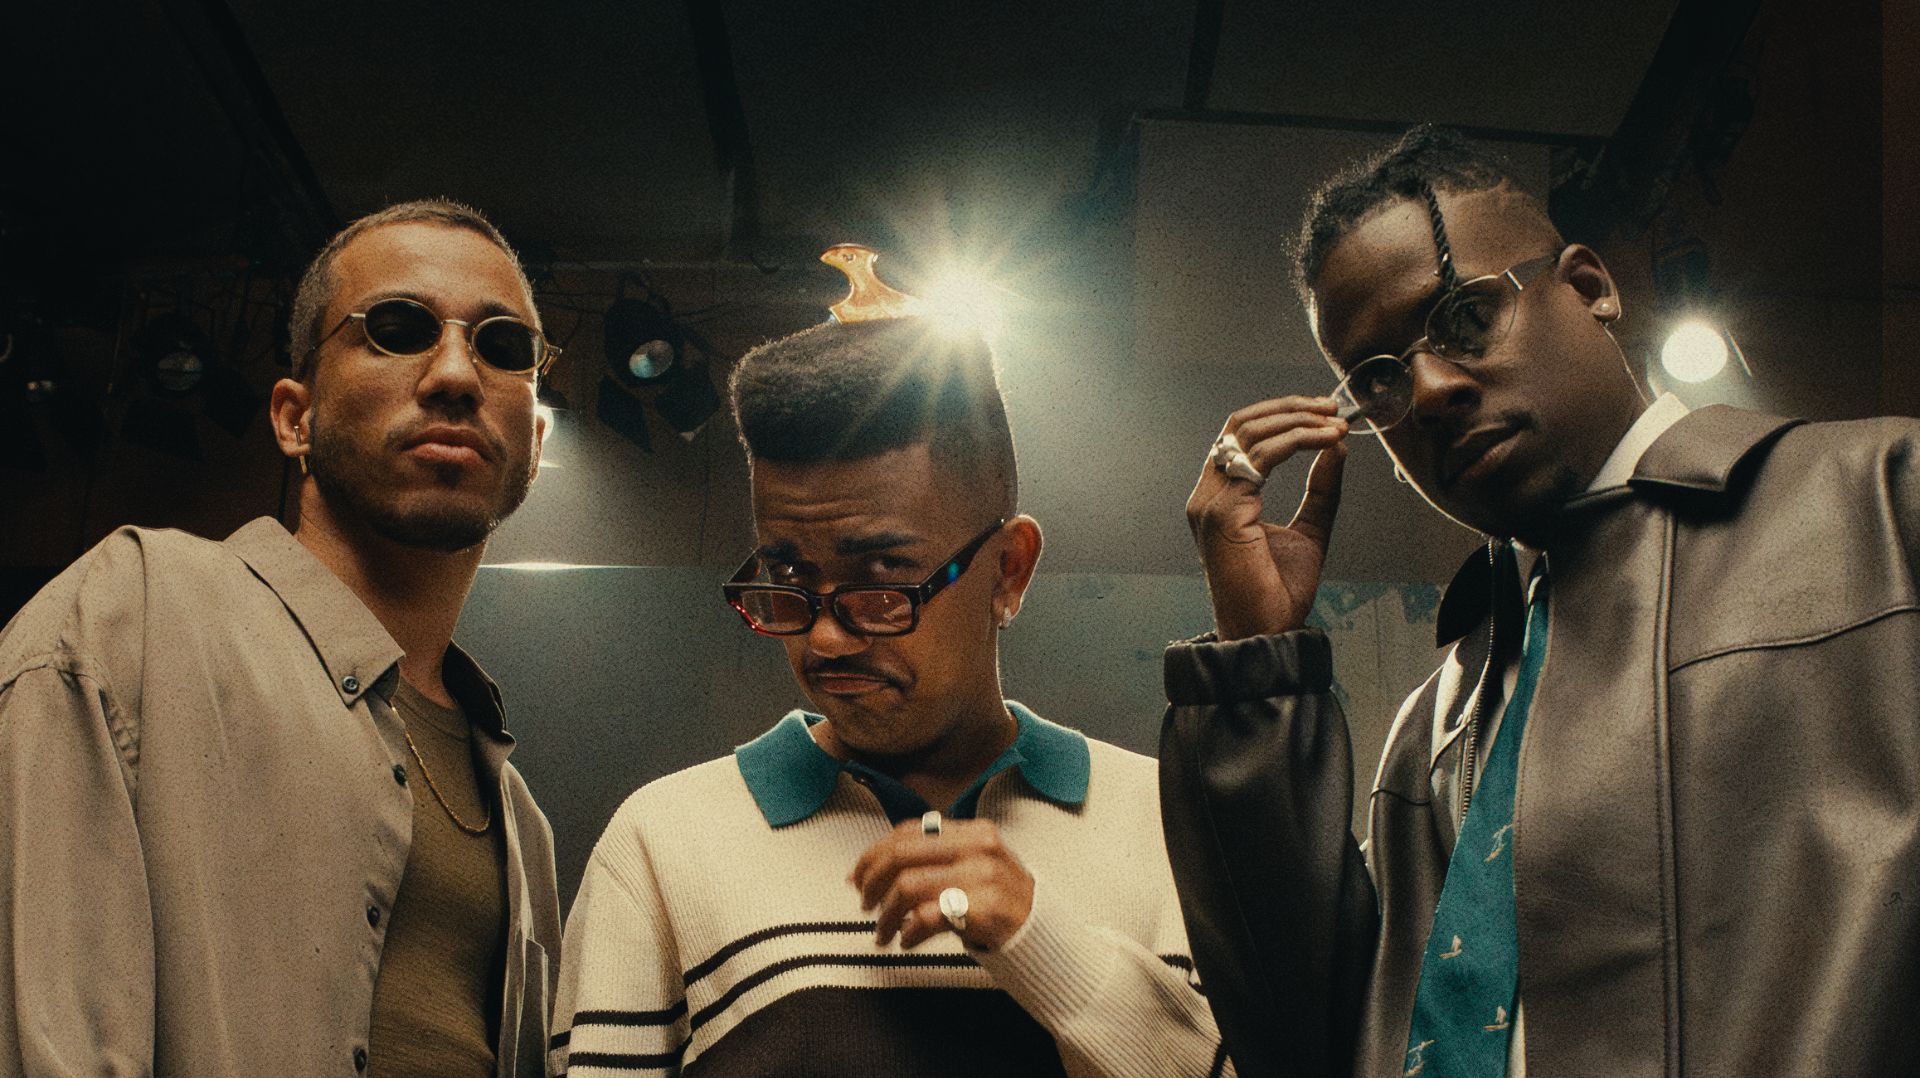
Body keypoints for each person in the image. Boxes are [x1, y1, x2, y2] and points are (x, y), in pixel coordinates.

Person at [1160, 124, 1920, 1077]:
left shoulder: (1883, 507)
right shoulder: (1433, 726)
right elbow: (1302, 1047)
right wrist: (1255, 665)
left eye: (1466, 316)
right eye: (1379, 380)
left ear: (1591, 287)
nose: (1429, 389)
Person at [551, 308, 1227, 1076]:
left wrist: (1041, 941)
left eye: (881, 581)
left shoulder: (1173, 823)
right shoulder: (660, 844)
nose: (825, 639)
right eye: (789, 576)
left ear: (1009, 571)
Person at [0, 199, 565, 1077]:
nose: (457, 374)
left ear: (534, 437)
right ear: (294, 418)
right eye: (398, 329)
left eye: (504, 344)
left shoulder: (522, 822)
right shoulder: (133, 616)